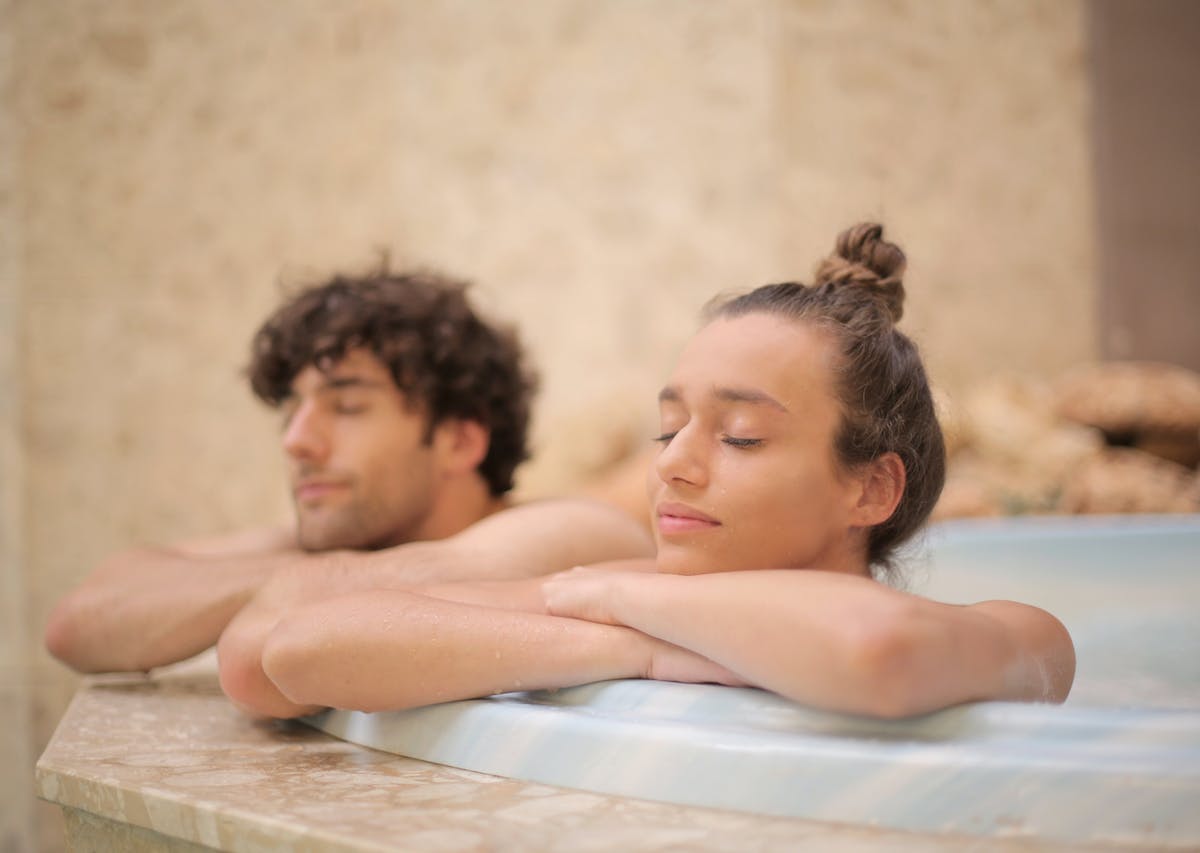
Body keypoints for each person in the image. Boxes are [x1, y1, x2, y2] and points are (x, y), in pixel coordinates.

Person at [219, 224, 1076, 720]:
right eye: (669, 428)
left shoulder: (1017, 632)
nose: (672, 464)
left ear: (872, 488)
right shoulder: (620, 594)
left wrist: (626, 606)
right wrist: (634, 645)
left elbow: (876, 651)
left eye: (738, 436)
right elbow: (292, 651)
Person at [44, 265, 654, 674]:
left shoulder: (570, 531)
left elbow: (394, 584)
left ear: (459, 441)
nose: (297, 440)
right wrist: (305, 572)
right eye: (292, 408)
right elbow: (78, 625)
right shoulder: (344, 541)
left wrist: (298, 578)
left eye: (348, 405)